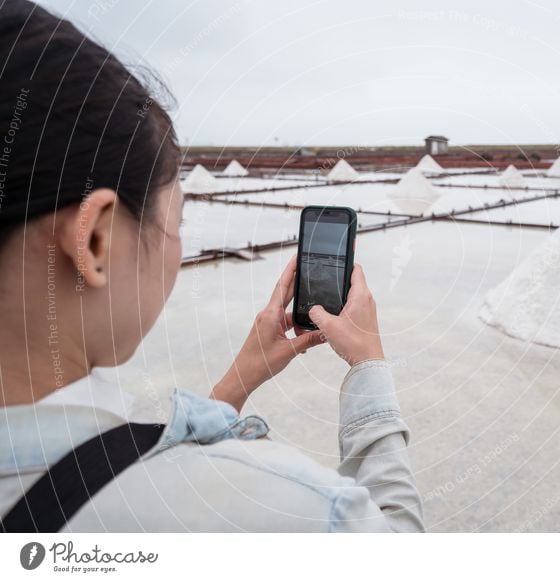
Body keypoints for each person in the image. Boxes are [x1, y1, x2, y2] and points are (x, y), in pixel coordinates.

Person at [0, 0, 423, 532]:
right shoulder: (292, 514)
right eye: (175, 218)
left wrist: (235, 384)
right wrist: (370, 371)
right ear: (98, 239)